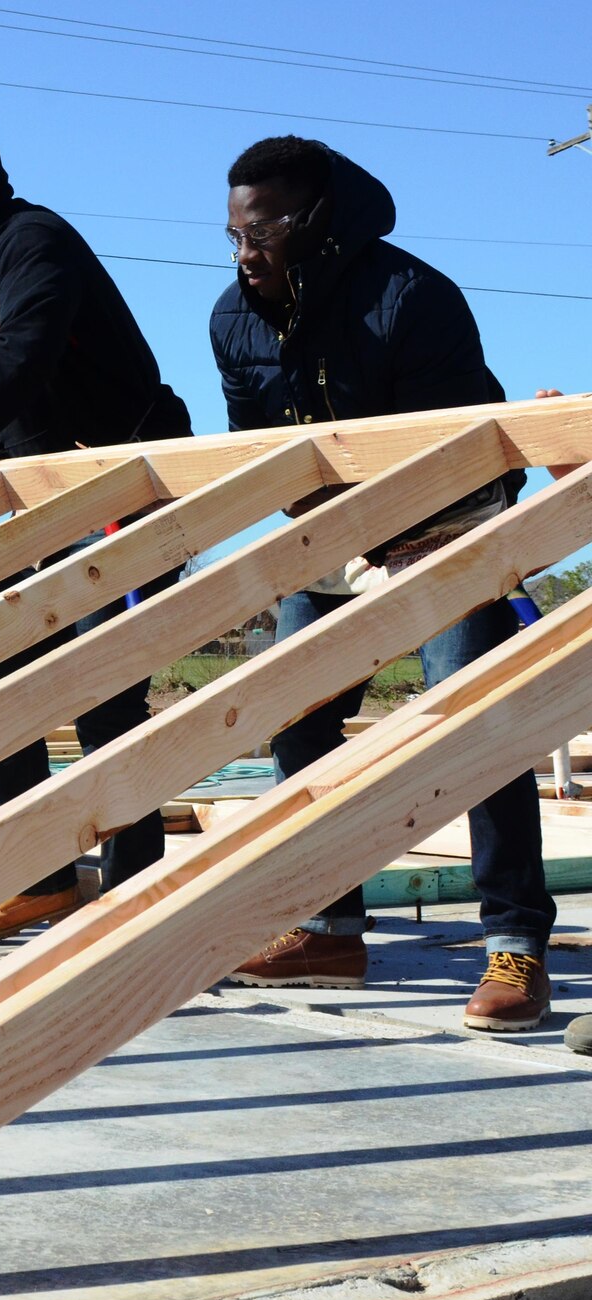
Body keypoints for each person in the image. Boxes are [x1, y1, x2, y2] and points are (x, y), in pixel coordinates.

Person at [208, 134, 556, 1031]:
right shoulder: (232, 319)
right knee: (296, 715)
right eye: (235, 237)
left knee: (474, 723)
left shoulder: (411, 298)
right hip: (332, 534)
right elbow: (259, 452)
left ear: (316, 224)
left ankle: (515, 943)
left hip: (444, 526)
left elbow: (460, 450)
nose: (247, 255)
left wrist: (396, 541)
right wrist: (317, 532)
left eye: (263, 234)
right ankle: (330, 926)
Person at [0, 105, 192, 943]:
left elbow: (27, 355)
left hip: (124, 483)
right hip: (46, 511)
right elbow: (4, 419)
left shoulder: (35, 241)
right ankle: (41, 875)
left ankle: (137, 884)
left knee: (102, 683)